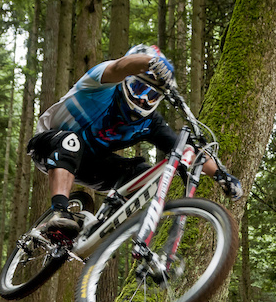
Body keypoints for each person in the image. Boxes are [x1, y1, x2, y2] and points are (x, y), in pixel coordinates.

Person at [27, 44, 243, 238]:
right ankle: (59, 212)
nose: (142, 99)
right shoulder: (100, 84)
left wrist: (222, 176)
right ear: (126, 81)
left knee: (144, 174)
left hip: (90, 165)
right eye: (138, 88)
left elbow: (187, 151)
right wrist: (151, 63)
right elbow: (120, 66)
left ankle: (99, 232)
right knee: (70, 141)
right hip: (50, 145)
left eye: (151, 95)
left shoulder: (149, 122)